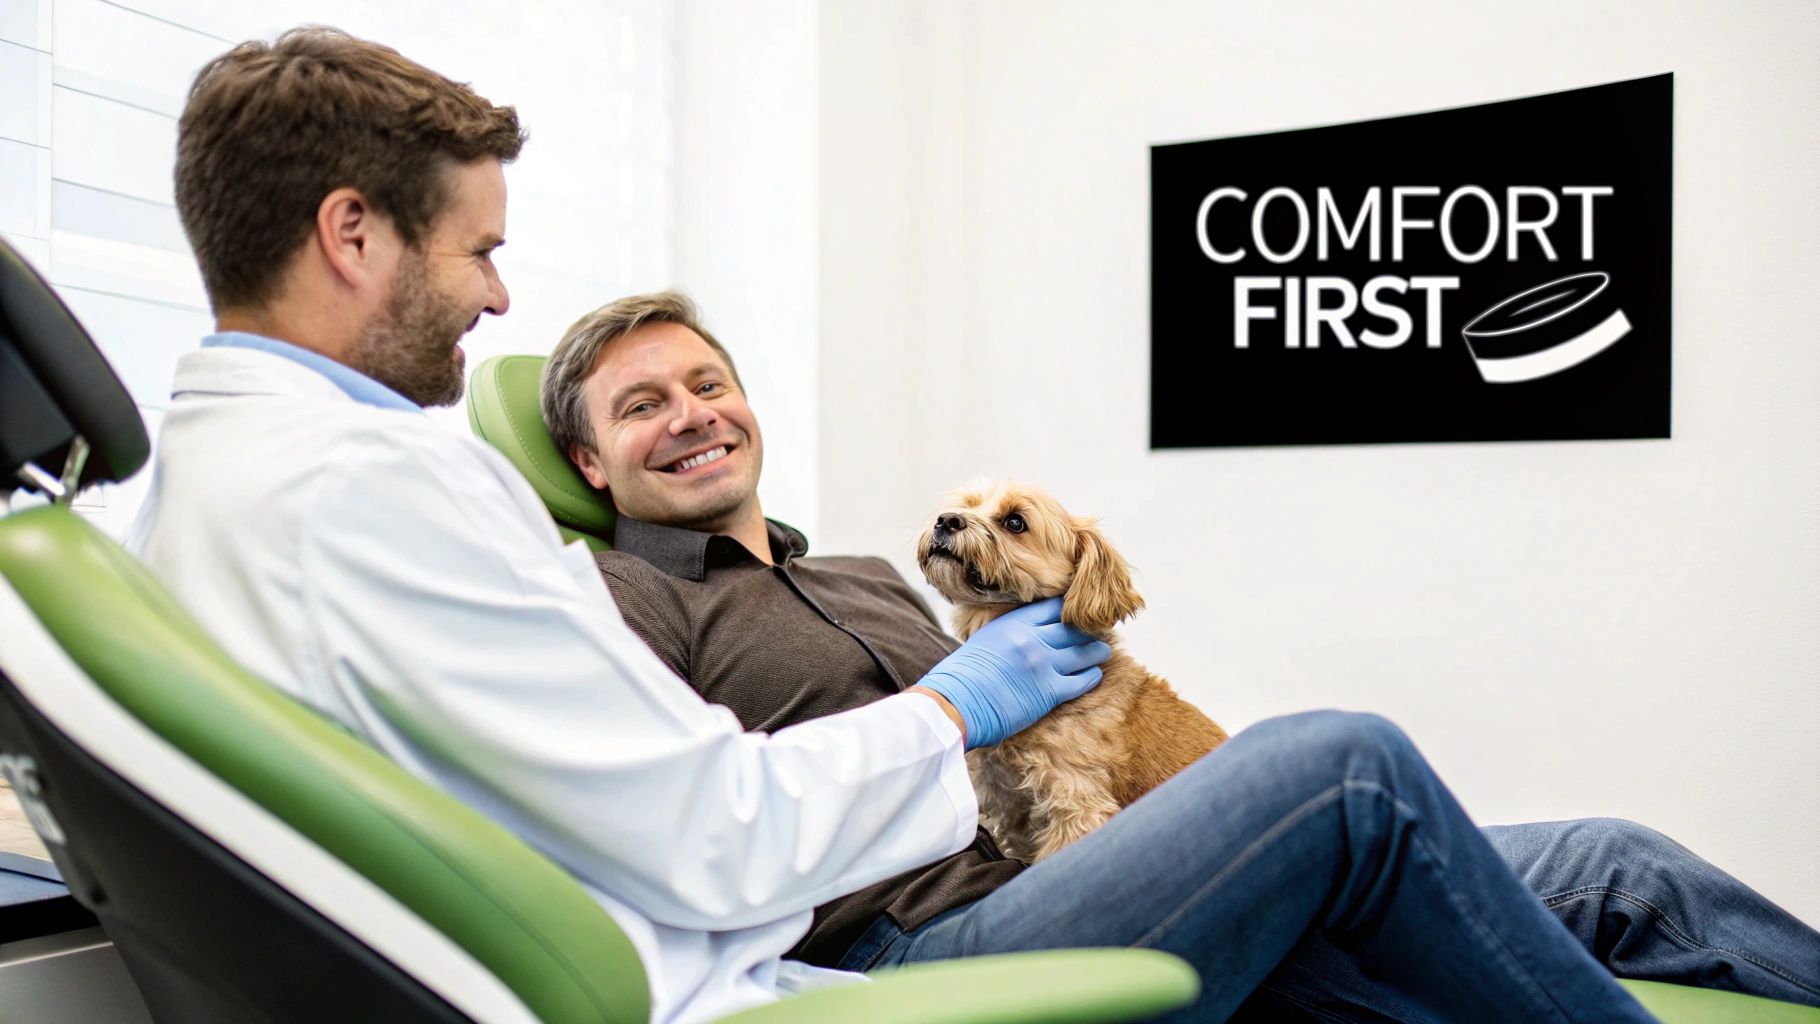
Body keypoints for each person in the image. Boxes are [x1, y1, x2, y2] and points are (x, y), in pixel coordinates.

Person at [129, 28, 1106, 1024]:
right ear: (352, 234)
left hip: (779, 939)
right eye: (480, 252)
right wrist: (950, 710)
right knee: (1281, 775)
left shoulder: (200, 485)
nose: (497, 296)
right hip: (777, 965)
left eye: (710, 385)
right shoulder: (383, 488)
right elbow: (717, 832)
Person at [542, 289, 1820, 1021]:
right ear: (593, 465)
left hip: (1083, 864)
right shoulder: (623, 600)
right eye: (642, 404)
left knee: (1610, 859)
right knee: (1340, 762)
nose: (693, 415)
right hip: (927, 933)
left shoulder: (867, 577)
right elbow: (680, 823)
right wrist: (949, 710)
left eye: (707, 381)